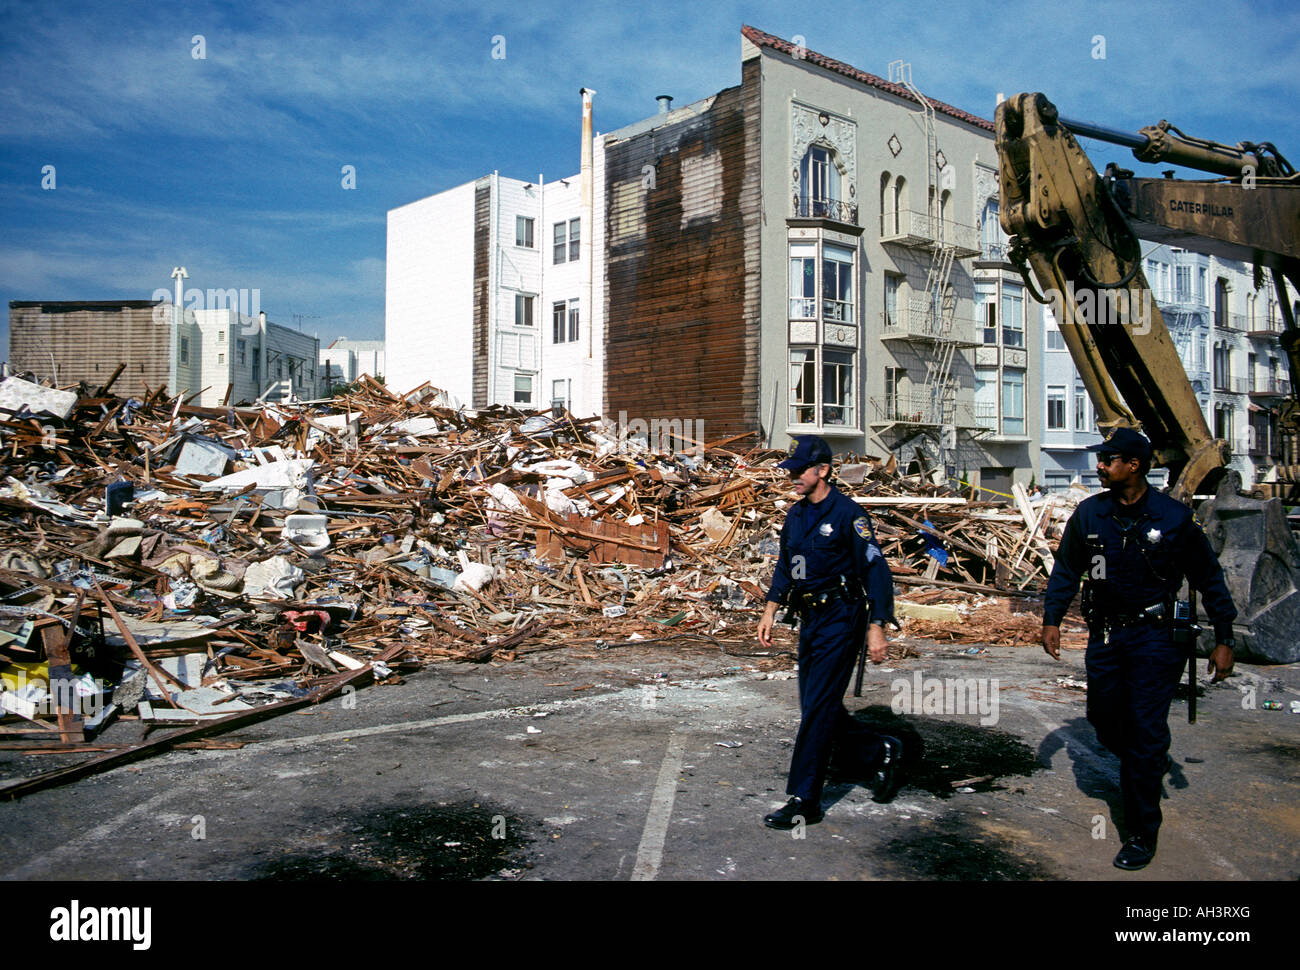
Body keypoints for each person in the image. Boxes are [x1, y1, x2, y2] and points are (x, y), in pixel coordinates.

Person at [1041, 427, 1236, 870]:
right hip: (1106, 636)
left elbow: (1208, 577)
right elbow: (1067, 569)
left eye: (1108, 459)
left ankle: (1141, 831)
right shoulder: (1091, 515)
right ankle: (1145, 763)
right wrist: (1051, 618)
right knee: (1104, 721)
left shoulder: (1173, 518)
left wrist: (1223, 638)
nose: (1100, 465)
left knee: (1146, 732)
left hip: (1156, 638)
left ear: (1134, 465)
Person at [757, 435, 900, 829]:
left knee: (818, 706)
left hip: (842, 616)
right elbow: (786, 566)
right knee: (816, 704)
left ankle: (805, 799)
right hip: (810, 619)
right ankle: (878, 751)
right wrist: (770, 609)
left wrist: (876, 627)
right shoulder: (796, 516)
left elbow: (877, 571)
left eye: (799, 471)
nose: (793, 478)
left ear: (822, 470)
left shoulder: (848, 515)